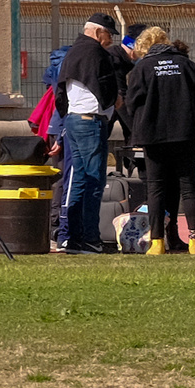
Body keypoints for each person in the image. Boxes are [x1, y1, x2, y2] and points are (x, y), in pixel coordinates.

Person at [119, 25, 195, 254]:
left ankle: (157, 241)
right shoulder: (186, 64)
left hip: (153, 135)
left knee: (156, 188)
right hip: (184, 133)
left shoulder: (143, 68)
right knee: (189, 187)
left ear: (145, 47)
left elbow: (132, 102)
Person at [54, 14, 127, 253]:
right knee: (95, 181)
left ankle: (72, 238)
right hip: (90, 121)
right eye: (108, 34)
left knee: (79, 180)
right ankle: (90, 239)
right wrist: (115, 99)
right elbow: (105, 87)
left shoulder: (73, 51)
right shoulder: (95, 53)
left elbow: (60, 91)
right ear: (98, 32)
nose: (109, 40)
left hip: (73, 119)